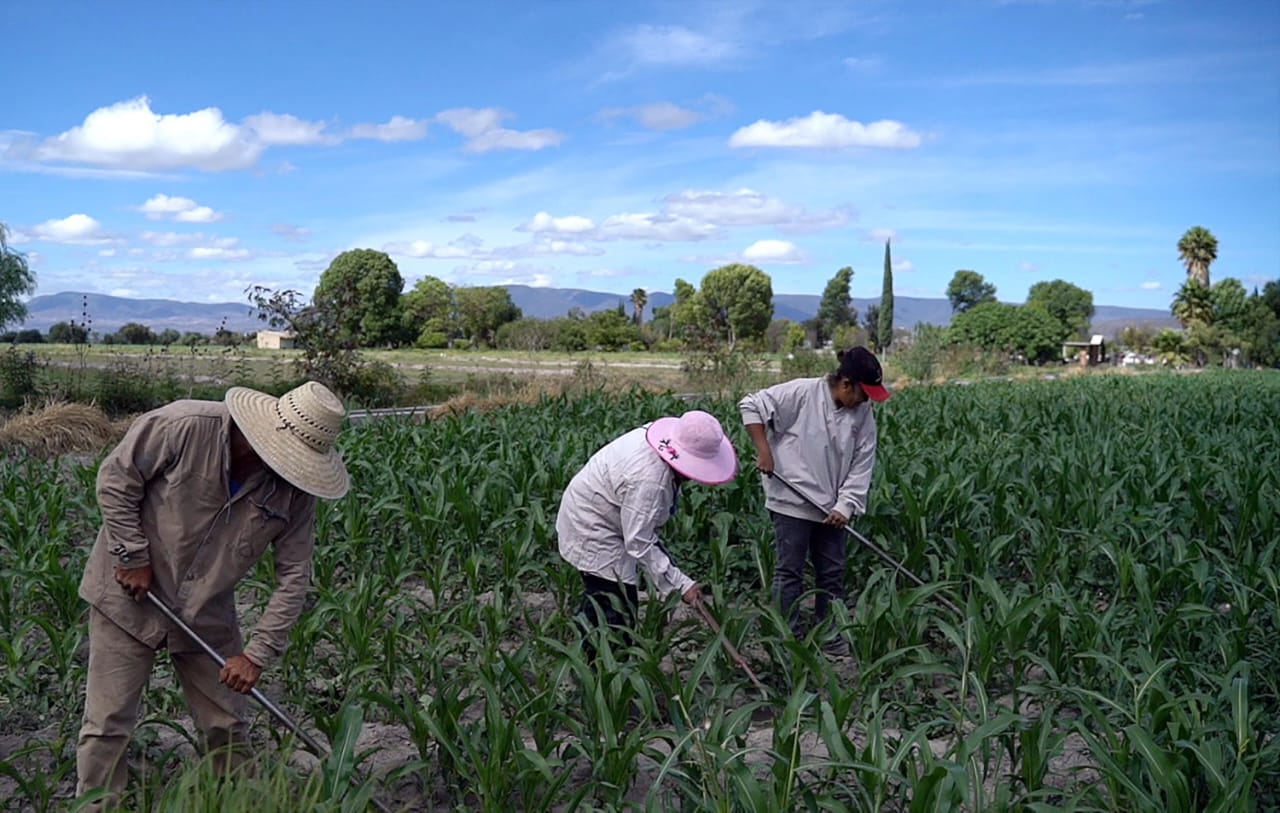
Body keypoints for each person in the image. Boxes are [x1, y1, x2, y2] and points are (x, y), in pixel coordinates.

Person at [75, 381, 351, 809]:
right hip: (127, 599)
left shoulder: (293, 493)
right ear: (262, 435)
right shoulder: (184, 425)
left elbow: (295, 574)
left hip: (206, 610)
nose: (288, 470)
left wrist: (257, 654)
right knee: (107, 724)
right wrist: (131, 554)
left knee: (226, 725)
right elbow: (116, 479)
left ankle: (241, 803)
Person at [739, 346, 889, 657]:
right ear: (846, 383)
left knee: (832, 572)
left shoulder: (863, 414)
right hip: (791, 500)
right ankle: (786, 638)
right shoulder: (803, 393)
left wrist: (845, 505)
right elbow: (752, 405)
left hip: (832, 509)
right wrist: (764, 450)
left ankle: (830, 634)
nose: (866, 401)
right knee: (789, 571)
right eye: (864, 393)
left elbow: (863, 463)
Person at [556, 410, 739, 660]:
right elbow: (639, 541)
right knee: (615, 607)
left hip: (608, 512)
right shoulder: (650, 481)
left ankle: (596, 661)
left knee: (608, 599)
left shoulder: (660, 440)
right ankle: (597, 672)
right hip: (592, 526)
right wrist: (681, 584)